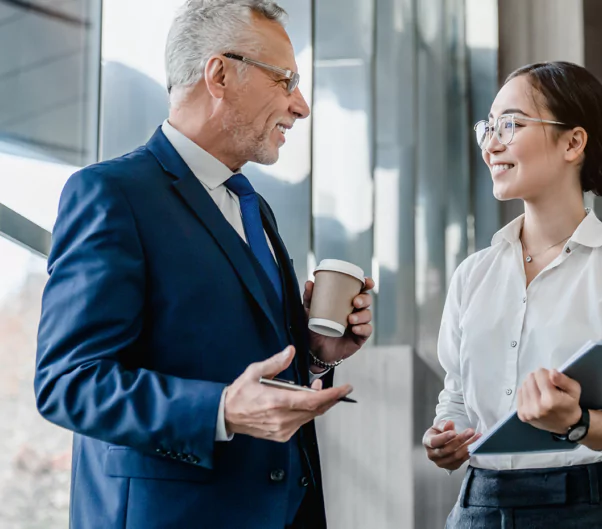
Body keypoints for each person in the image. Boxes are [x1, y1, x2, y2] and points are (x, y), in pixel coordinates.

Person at [33, 1, 373, 527]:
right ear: (220, 74)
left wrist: (315, 353)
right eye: (286, 81)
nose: (301, 106)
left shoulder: (253, 207)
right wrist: (220, 411)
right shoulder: (112, 194)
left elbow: (243, 363)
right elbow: (69, 383)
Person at [423, 61, 602, 528]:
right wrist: (446, 438)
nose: (491, 143)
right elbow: (457, 397)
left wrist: (576, 423)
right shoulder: (471, 276)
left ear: (573, 142)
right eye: (489, 126)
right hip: (478, 507)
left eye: (511, 124)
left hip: (591, 510)